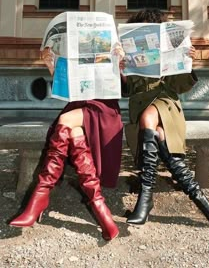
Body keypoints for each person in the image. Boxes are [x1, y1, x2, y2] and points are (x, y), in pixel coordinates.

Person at [119, 9, 209, 232]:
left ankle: (145, 196)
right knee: (157, 135)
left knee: (150, 118)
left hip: (166, 103)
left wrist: (187, 62)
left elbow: (180, 87)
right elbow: (126, 91)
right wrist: (121, 70)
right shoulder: (129, 53)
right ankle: (202, 202)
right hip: (139, 106)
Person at [9, 47, 123, 241]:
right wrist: (51, 65)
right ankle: (101, 211)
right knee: (73, 131)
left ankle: (40, 196)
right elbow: (67, 90)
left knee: (65, 120)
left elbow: (126, 88)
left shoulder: (113, 49)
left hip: (104, 111)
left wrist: (118, 64)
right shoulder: (74, 49)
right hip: (79, 107)